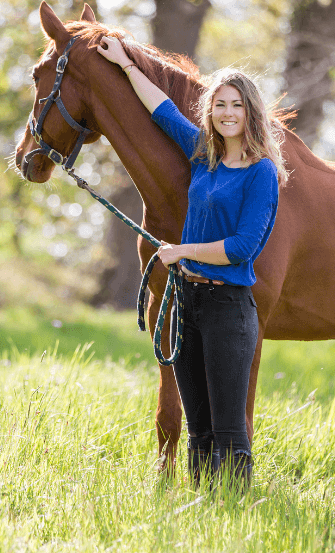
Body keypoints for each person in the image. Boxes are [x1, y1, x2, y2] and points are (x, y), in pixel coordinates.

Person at [98, 35, 287, 491]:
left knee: (229, 433)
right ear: (210, 112)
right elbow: (162, 109)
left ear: (250, 113)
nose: (227, 113)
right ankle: (204, 515)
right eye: (220, 104)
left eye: (236, 106)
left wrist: (181, 251)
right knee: (198, 431)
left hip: (228, 308)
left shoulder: (262, 173)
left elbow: (243, 247)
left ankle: (237, 514)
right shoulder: (204, 157)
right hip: (188, 305)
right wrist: (126, 64)